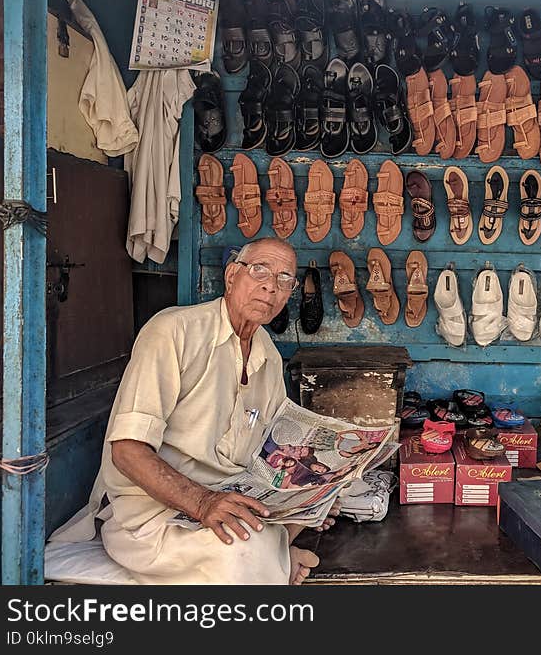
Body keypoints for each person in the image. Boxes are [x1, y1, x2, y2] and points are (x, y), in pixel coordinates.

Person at [50, 238, 334, 584]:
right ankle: (278, 559)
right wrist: (202, 503)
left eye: (285, 279)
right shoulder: (172, 331)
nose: (270, 286)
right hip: (157, 514)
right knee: (239, 548)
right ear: (232, 276)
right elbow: (126, 451)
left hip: (230, 499)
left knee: (319, 500)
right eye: (260, 270)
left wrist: (308, 495)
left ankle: (276, 553)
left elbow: (268, 455)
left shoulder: (268, 359)